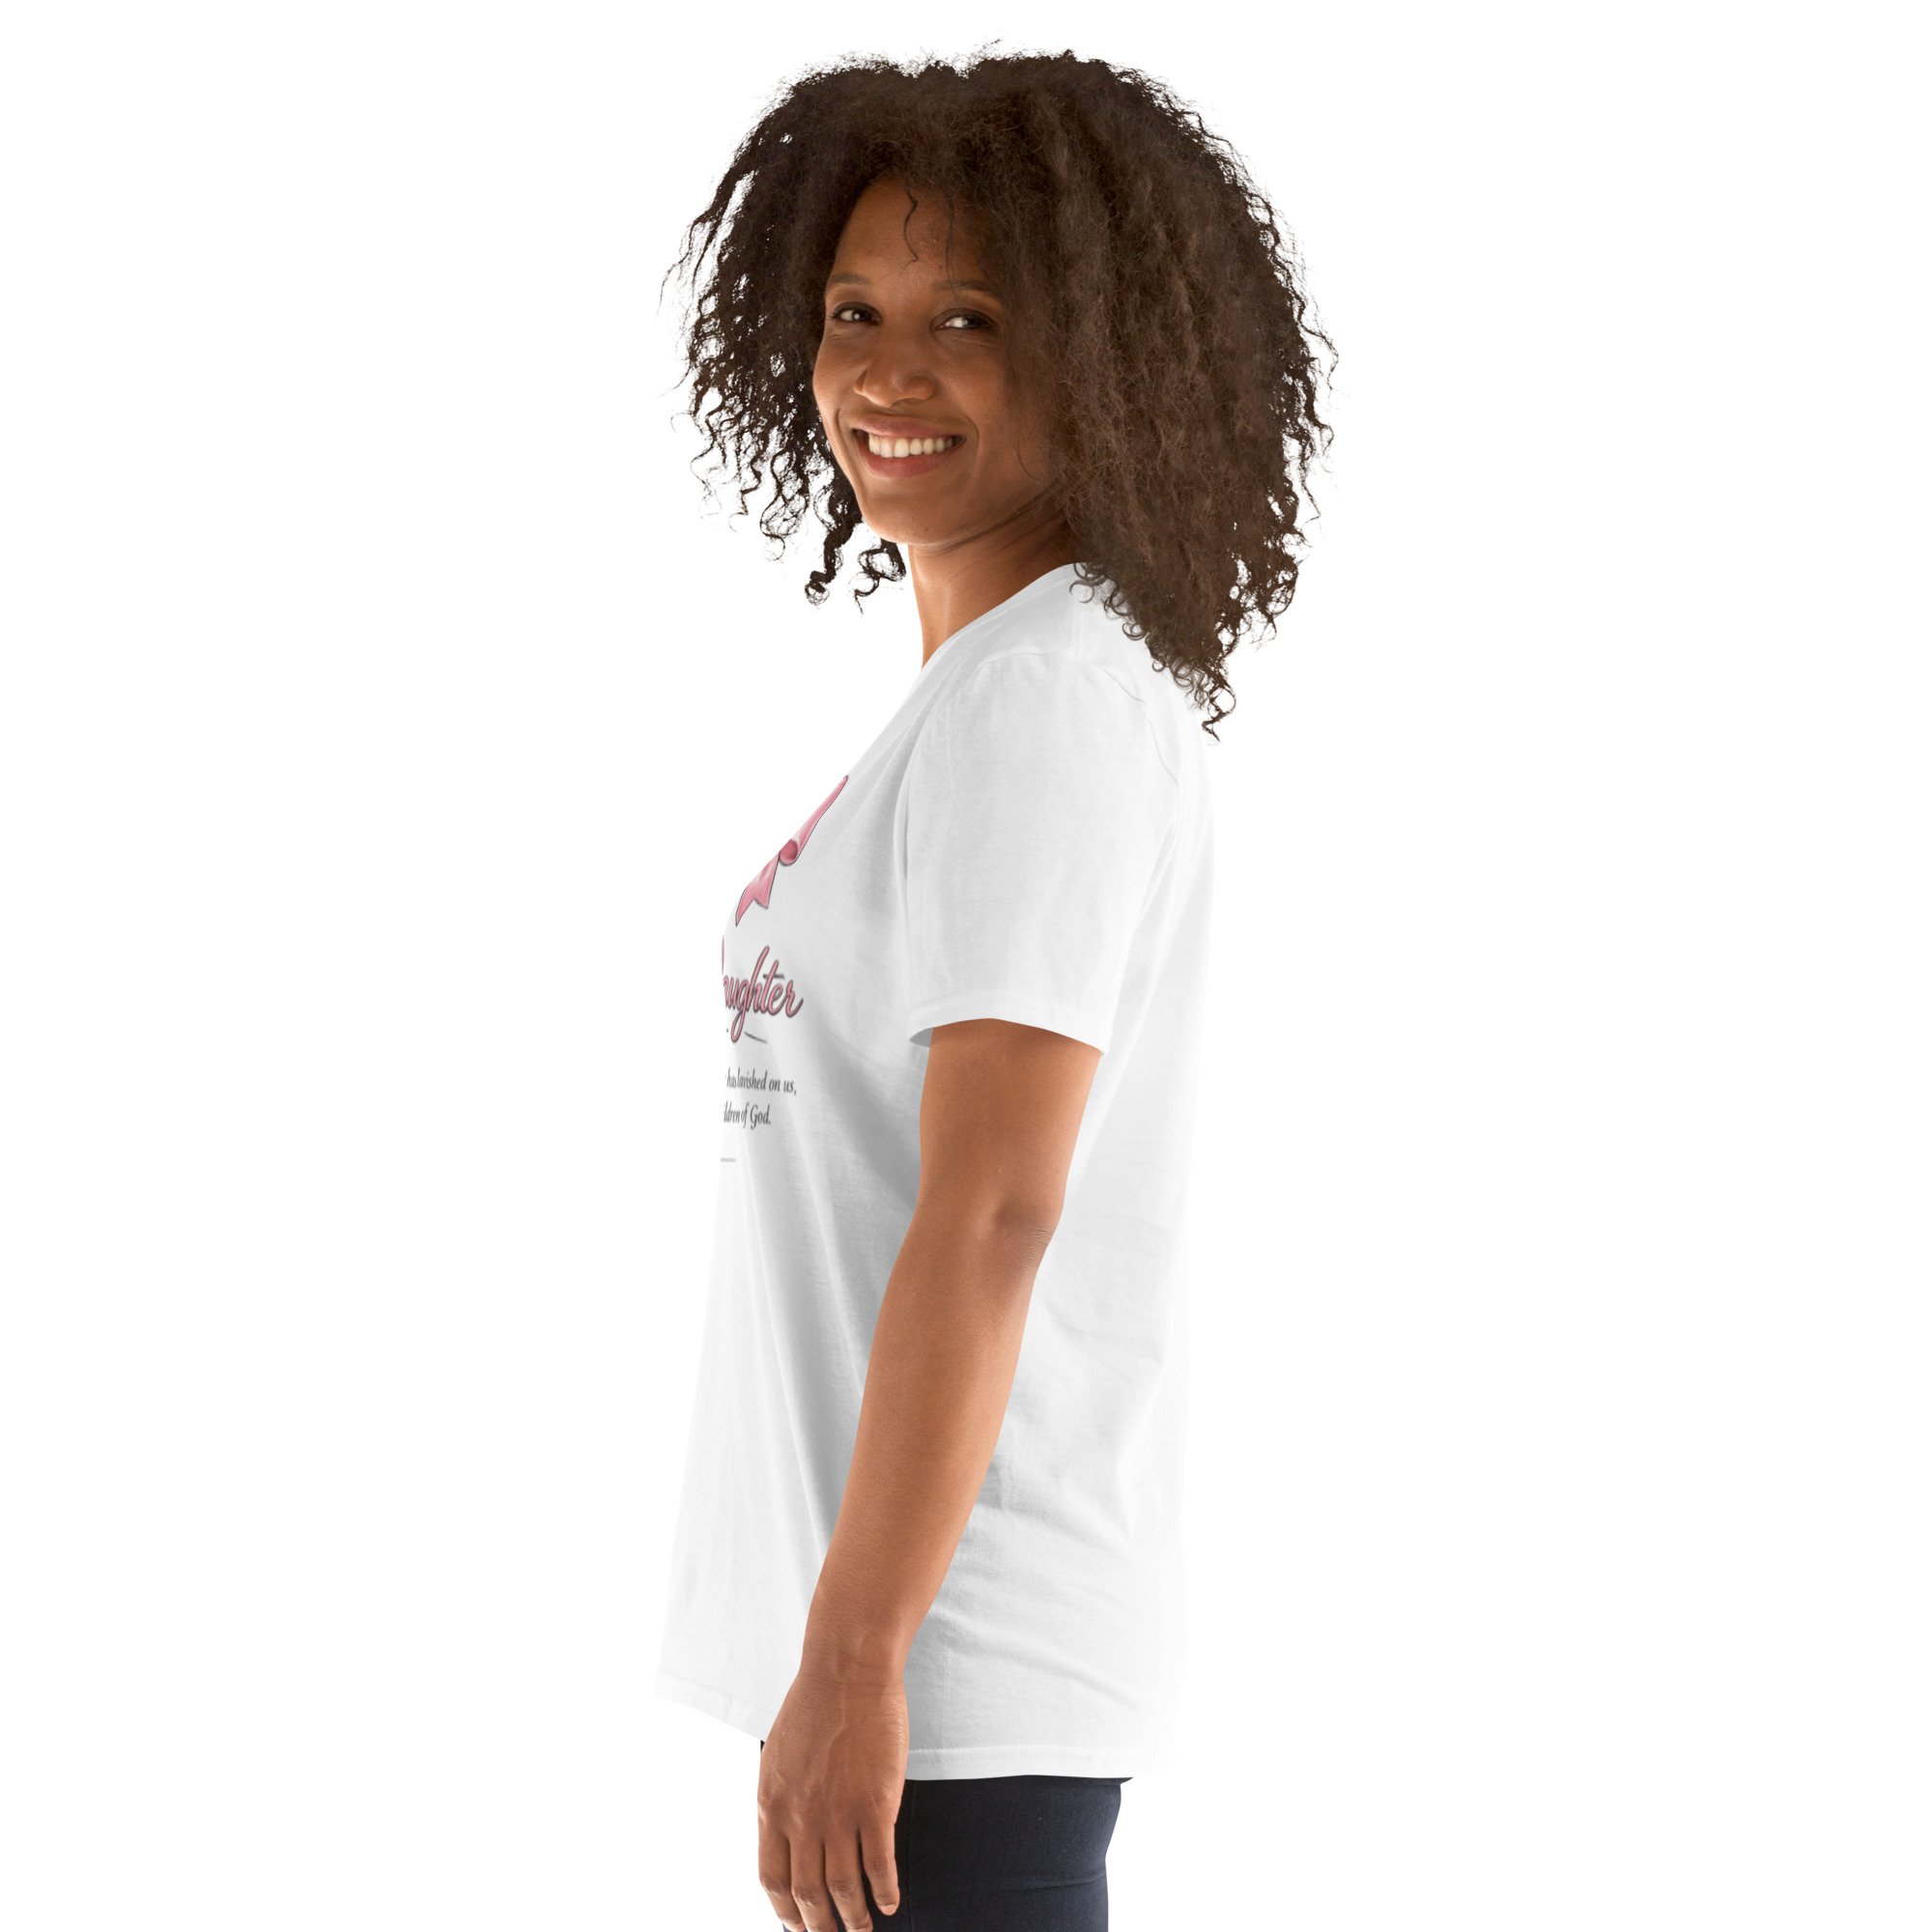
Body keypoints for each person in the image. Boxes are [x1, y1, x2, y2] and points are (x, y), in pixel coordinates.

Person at [653, 47, 1333, 1932]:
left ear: (1101, 357)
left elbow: (995, 1207)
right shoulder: (996, 689)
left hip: (952, 1676)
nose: (890, 372)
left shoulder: (1042, 700)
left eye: (970, 319)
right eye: (853, 313)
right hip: (916, 1666)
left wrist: (860, 1655)